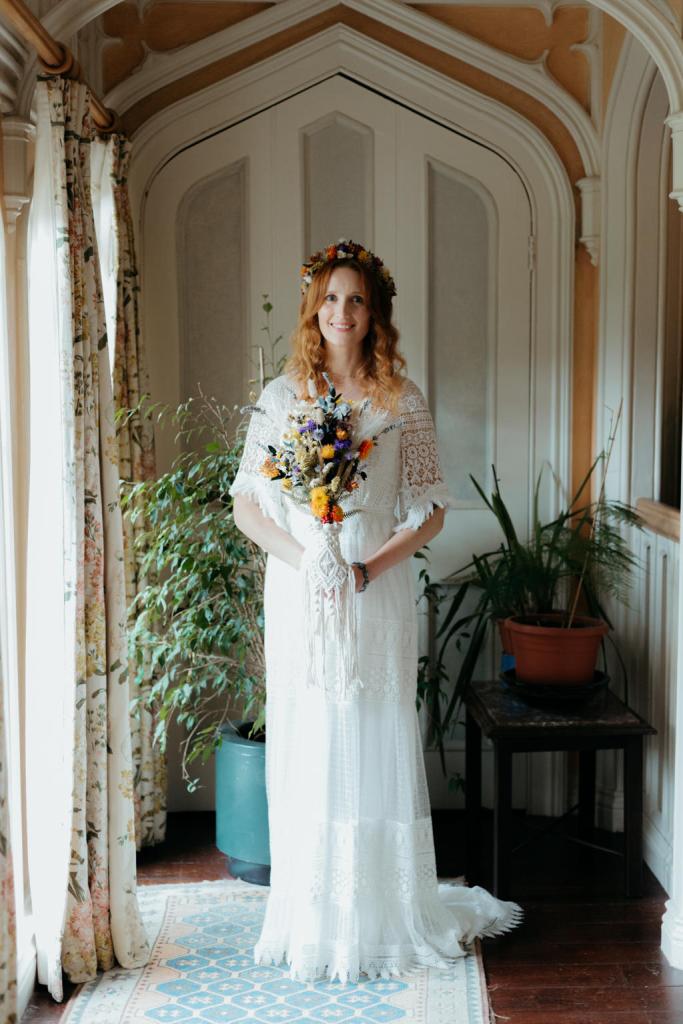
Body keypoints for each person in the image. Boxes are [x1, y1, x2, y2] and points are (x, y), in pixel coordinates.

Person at [228, 238, 522, 985]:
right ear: (312, 307)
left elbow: (427, 512)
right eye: (329, 298)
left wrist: (363, 567)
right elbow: (247, 505)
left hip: (373, 587)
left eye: (355, 299)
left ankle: (380, 916)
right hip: (300, 589)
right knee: (310, 727)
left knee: (366, 729)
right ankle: (311, 914)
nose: (340, 312)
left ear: (375, 311)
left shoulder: (401, 399)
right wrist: (310, 562)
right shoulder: (279, 396)